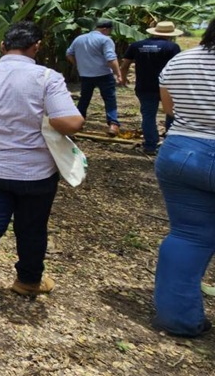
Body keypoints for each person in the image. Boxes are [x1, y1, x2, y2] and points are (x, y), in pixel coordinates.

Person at [0, 22, 84, 319]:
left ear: (3, 47)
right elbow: (72, 123)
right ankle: (28, 281)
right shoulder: (47, 78)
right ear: (36, 46)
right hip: (35, 172)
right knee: (32, 227)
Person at [152, 18, 215, 338]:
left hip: (181, 151)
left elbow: (169, 106)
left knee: (189, 235)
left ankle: (178, 319)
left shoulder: (183, 59)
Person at [120, 21, 182, 155]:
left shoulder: (137, 45)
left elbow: (125, 65)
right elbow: (177, 67)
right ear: (170, 34)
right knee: (171, 113)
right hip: (168, 86)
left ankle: (150, 146)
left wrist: (123, 79)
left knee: (148, 115)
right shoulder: (172, 47)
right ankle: (169, 144)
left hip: (144, 86)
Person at [66, 19, 123, 136]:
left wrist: (78, 64)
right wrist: (118, 73)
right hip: (103, 74)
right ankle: (113, 124)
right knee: (109, 99)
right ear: (105, 29)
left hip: (86, 74)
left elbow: (69, 53)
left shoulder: (79, 39)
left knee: (84, 98)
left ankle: (78, 122)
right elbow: (111, 58)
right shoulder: (105, 40)